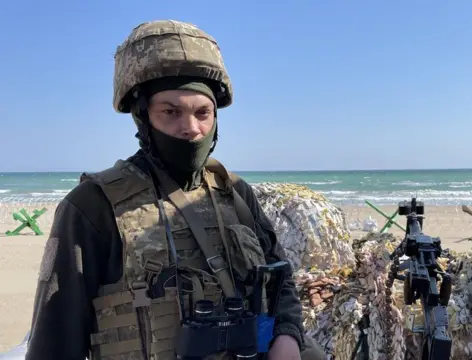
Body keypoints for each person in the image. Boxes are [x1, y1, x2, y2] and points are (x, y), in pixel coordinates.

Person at [25, 20, 325, 360]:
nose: (191, 129)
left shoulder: (236, 192)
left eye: (202, 113)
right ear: (143, 116)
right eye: (171, 112)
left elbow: (280, 279)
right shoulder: (93, 206)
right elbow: (54, 340)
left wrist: (287, 335)